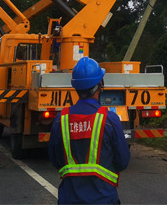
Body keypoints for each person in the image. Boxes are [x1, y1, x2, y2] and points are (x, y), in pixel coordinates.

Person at [49, 57, 130, 204]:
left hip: (69, 199)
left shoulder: (61, 119)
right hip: (104, 199)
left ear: (76, 86)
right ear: (100, 84)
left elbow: (56, 160)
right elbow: (123, 161)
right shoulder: (109, 119)